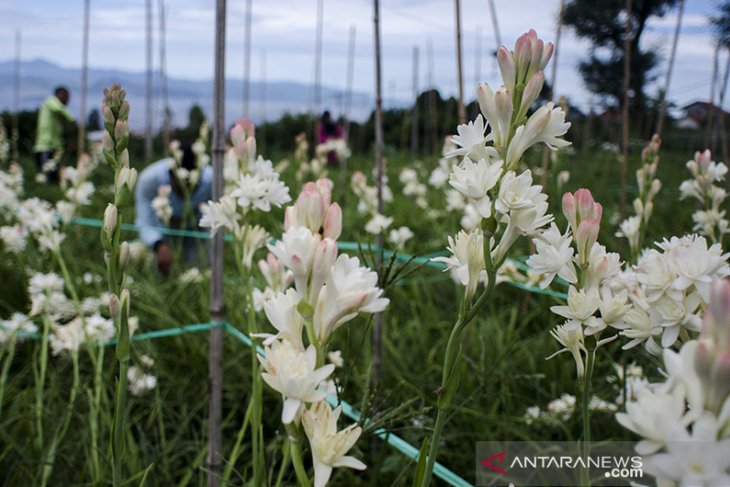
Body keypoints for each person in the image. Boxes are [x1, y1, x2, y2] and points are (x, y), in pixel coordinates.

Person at [135, 144, 213, 275]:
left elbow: (214, 216)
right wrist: (157, 244)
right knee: (162, 271)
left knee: (198, 271)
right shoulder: (149, 180)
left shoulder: (212, 180)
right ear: (171, 174)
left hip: (197, 233)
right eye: (180, 185)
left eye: (192, 185)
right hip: (162, 231)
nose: (186, 192)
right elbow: (144, 220)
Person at [34, 86, 76, 179]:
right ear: (60, 95)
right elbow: (60, 110)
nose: (67, 101)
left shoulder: (54, 113)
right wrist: (73, 120)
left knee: (53, 177)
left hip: (54, 147)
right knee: (46, 175)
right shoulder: (51, 102)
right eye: (66, 98)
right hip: (45, 147)